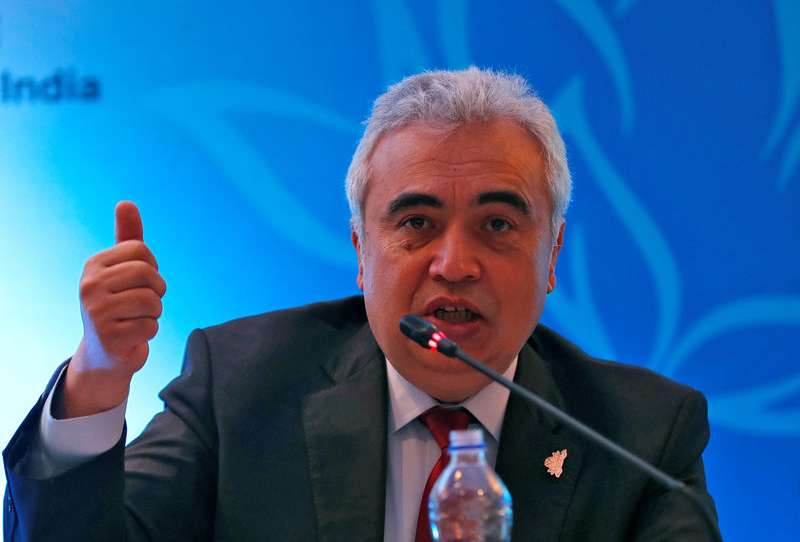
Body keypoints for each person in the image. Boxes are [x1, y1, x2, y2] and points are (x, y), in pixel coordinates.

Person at [3, 68, 719, 541]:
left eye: (498, 224)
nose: (455, 264)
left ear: (553, 255)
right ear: (360, 249)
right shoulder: (243, 384)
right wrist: (98, 375)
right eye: (416, 223)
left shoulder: (641, 434)